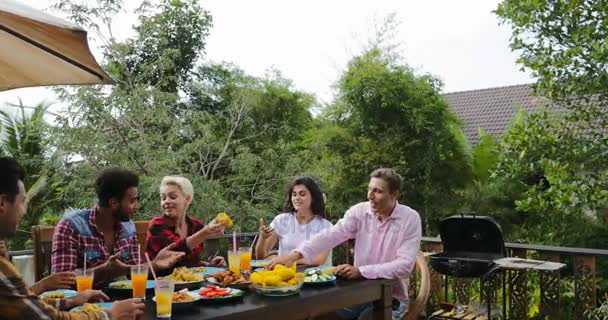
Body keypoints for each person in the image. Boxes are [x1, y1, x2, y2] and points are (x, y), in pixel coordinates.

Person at [0, 157, 146, 319]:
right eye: (22, 201)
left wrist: (71, 301)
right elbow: (53, 305)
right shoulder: (72, 226)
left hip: (104, 302)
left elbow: (27, 306)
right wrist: (108, 314)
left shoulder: (127, 226)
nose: (24, 211)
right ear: (2, 202)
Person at [269, 168, 422, 320]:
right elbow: (331, 235)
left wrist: (360, 271)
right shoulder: (359, 212)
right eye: (369, 189)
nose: (370, 196)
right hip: (358, 293)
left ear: (394, 194)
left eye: (378, 191)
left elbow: (404, 266)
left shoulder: (410, 219)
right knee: (316, 314)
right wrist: (294, 255)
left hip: (391, 298)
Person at [52, 168, 185, 285]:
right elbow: (61, 282)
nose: (135, 206)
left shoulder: (128, 226)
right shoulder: (71, 226)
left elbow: (135, 270)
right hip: (84, 308)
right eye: (132, 201)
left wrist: (155, 264)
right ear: (114, 203)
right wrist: (104, 270)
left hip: (124, 301)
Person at [146, 176, 226, 267]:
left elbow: (190, 262)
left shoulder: (196, 225)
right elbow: (176, 253)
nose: (166, 201)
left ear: (187, 199)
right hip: (159, 280)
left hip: (187, 280)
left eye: (172, 197)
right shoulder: (157, 225)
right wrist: (206, 232)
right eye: (163, 198)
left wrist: (209, 265)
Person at [256, 176, 333, 266]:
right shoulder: (281, 220)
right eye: (294, 194)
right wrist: (262, 238)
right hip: (284, 278)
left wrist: (284, 259)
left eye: (302, 194)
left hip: (313, 278)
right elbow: (260, 257)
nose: (297, 198)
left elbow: (318, 260)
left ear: (313, 198)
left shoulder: (326, 226)